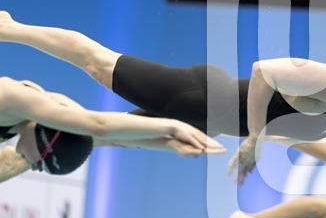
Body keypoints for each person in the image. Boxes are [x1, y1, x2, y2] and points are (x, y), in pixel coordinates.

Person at [0, 11, 326, 184]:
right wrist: (253, 138)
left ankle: (12, 157)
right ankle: (10, 28)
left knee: (102, 137)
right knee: (99, 63)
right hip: (198, 96)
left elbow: (286, 120)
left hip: (206, 119)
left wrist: (255, 145)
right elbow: (264, 71)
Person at [0, 76, 225, 183]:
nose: (36, 168)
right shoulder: (10, 98)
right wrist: (173, 127)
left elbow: (113, 138)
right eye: (40, 164)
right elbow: (99, 126)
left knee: (19, 162)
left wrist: (172, 146)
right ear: (45, 141)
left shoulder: (49, 108)